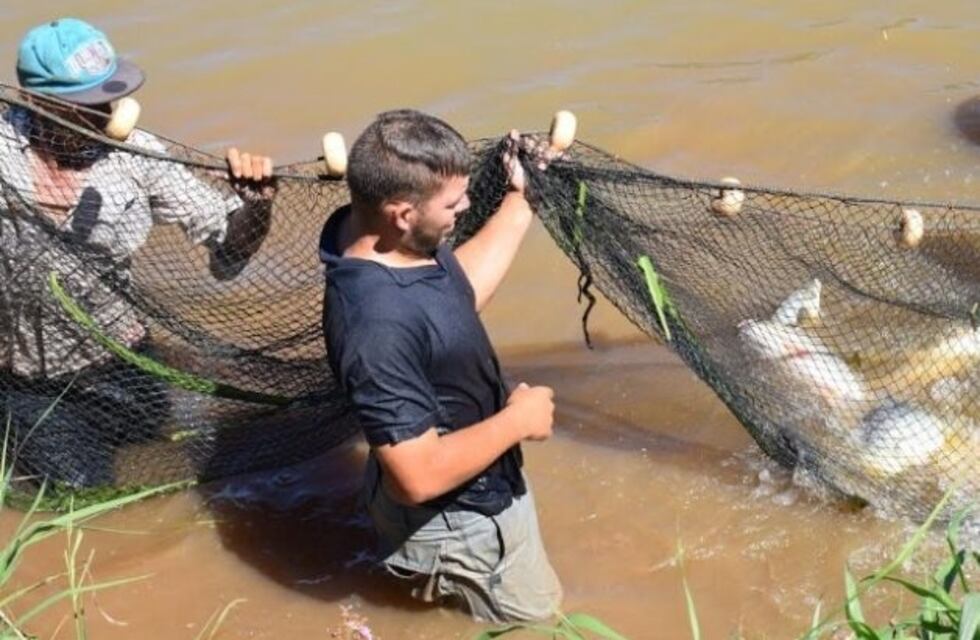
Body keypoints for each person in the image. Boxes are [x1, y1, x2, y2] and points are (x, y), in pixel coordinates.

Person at [0, 18, 274, 486]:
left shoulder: (138, 158)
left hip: (121, 359)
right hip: (26, 377)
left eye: (109, 96)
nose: (104, 113)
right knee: (78, 492)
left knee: (185, 468)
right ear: (35, 100)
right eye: (85, 104)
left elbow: (227, 253)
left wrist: (257, 205)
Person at [320, 109, 563, 622]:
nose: (468, 206)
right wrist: (518, 421)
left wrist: (522, 201)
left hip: (438, 490)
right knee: (539, 625)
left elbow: (453, 296)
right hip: (462, 518)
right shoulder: (376, 327)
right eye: (454, 203)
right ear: (402, 213)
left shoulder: (380, 239)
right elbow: (417, 474)